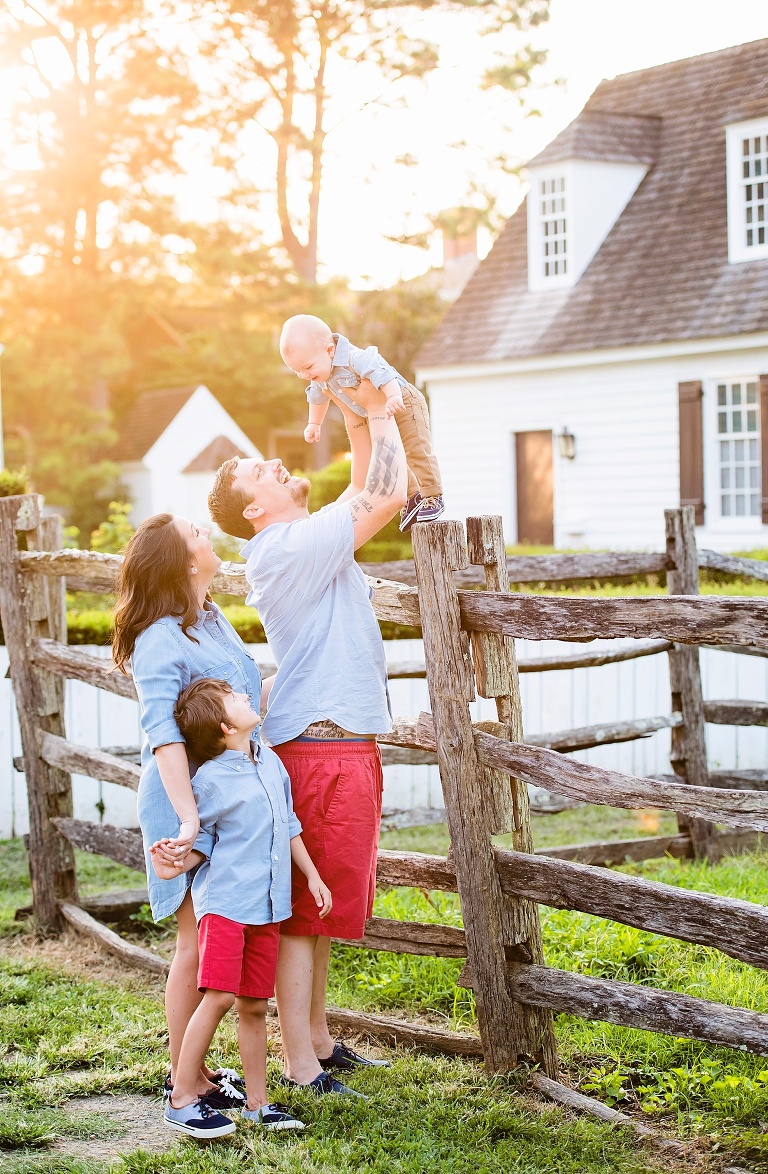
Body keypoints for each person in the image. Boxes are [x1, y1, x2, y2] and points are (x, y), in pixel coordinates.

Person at [207, 376, 407, 1094]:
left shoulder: (303, 541)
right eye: (259, 468)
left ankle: (318, 1041)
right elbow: (387, 493)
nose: (276, 462)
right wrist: (382, 410)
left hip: (339, 744)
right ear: (255, 507)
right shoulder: (283, 548)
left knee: (318, 912)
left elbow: (362, 481)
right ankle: (298, 1066)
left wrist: (352, 405)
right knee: (298, 918)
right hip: (320, 748)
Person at [112, 514, 263, 1110]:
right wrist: (189, 822)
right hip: (185, 802)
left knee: (217, 938)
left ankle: (195, 1073)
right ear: (180, 561)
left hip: (230, 797)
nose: (210, 538)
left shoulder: (211, 620)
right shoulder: (157, 641)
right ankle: (186, 1082)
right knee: (196, 944)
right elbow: (165, 739)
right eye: (198, 533)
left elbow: (247, 692)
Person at [152, 678, 333, 1139]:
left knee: (254, 1005)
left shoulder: (269, 761)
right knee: (220, 996)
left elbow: (288, 823)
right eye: (235, 699)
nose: (247, 697)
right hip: (227, 905)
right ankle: (181, 1096)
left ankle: (258, 1104)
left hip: (267, 907)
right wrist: (175, 866)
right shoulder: (208, 780)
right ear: (223, 726)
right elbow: (203, 842)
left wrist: (311, 875)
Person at [280, 312, 444, 531]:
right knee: (392, 457)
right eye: (297, 371)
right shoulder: (321, 374)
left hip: (403, 401)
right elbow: (317, 399)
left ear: (330, 351)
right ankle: (413, 496)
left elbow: (383, 372)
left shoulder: (354, 358)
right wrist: (314, 424)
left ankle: (433, 494)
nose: (304, 375)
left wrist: (394, 397)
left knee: (415, 449)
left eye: (307, 368)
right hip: (377, 414)